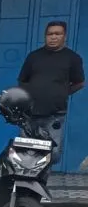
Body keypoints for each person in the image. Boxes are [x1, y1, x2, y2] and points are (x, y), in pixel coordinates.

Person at [18, 20, 84, 164]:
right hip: (29, 115)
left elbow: (79, 83)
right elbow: (22, 80)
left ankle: (43, 176)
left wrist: (62, 93)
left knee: (52, 153)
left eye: (57, 34)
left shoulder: (73, 58)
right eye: (50, 34)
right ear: (45, 36)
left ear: (64, 36)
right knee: (26, 152)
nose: (53, 37)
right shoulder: (33, 57)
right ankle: (26, 178)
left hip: (55, 115)